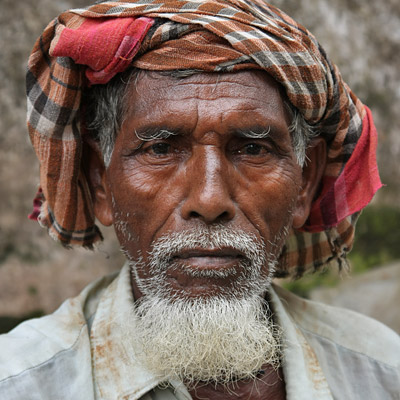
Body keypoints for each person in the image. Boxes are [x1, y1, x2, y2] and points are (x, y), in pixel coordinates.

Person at [1, 0, 399, 399]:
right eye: (159, 149)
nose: (209, 200)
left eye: (253, 149)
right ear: (101, 181)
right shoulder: (21, 383)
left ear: (304, 185)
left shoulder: (380, 371)